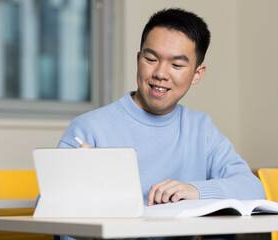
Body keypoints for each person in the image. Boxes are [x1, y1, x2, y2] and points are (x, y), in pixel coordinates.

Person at [58, 7, 265, 209]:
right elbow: (54, 219)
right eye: (151, 59)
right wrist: (85, 185)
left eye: (176, 65)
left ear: (197, 74)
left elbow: (253, 188)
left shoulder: (201, 129)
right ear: (138, 60)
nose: (160, 73)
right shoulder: (88, 129)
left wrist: (194, 191)